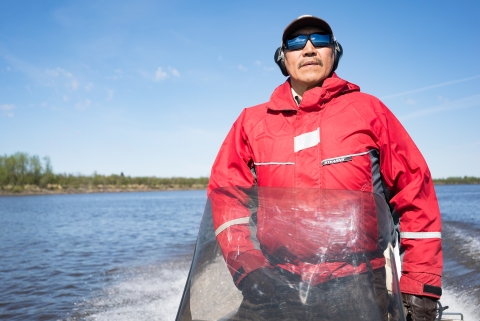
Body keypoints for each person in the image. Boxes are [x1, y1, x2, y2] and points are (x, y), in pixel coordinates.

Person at [207, 15, 442, 321]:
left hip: (359, 283)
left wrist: (420, 287)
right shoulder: (251, 123)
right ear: (283, 57)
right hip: (277, 284)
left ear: (334, 53)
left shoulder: (369, 111)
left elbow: (415, 194)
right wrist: (248, 267)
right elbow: (226, 198)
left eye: (319, 40)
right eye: (295, 42)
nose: (308, 49)